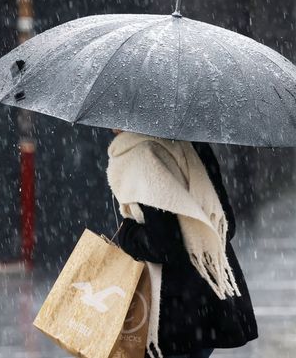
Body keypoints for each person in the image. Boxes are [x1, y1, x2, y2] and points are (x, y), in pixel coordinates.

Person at [107, 130, 257, 358]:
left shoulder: (140, 154)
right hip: (208, 304)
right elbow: (226, 225)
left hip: (170, 314)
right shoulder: (193, 146)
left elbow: (164, 245)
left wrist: (128, 234)